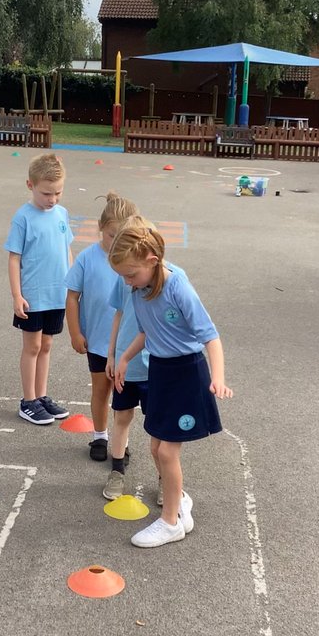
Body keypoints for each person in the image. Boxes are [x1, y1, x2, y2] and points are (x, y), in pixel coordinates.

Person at [109, 221, 233, 548]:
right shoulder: (138, 289)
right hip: (161, 370)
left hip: (187, 373)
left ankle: (171, 522)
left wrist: (217, 378)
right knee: (156, 446)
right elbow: (148, 331)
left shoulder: (178, 287)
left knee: (166, 450)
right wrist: (124, 358)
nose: (126, 281)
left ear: (152, 261)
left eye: (130, 274)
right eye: (122, 275)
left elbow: (211, 337)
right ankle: (179, 501)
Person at [100, 214, 193, 503]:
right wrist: (112, 354)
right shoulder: (126, 277)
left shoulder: (174, 279)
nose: (129, 280)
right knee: (122, 416)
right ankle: (117, 471)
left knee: (158, 428)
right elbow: (118, 314)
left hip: (158, 366)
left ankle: (166, 479)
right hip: (128, 365)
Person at [64, 192, 139, 458]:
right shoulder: (87, 258)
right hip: (97, 340)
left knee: (124, 396)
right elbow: (72, 296)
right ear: (100, 229)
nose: (116, 241)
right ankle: (99, 437)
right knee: (100, 390)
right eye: (111, 235)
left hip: (127, 344)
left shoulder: (136, 263)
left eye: (123, 236)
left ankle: (121, 440)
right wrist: (75, 332)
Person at [5, 152, 74, 425]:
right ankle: (28, 400)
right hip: (33, 295)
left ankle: (42, 396)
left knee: (46, 344)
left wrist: (75, 286)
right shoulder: (23, 217)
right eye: (47, 193)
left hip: (57, 294)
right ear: (30, 185)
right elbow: (14, 258)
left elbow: (67, 250)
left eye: (58, 192)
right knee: (32, 346)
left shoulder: (62, 214)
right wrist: (17, 295)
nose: (53, 199)